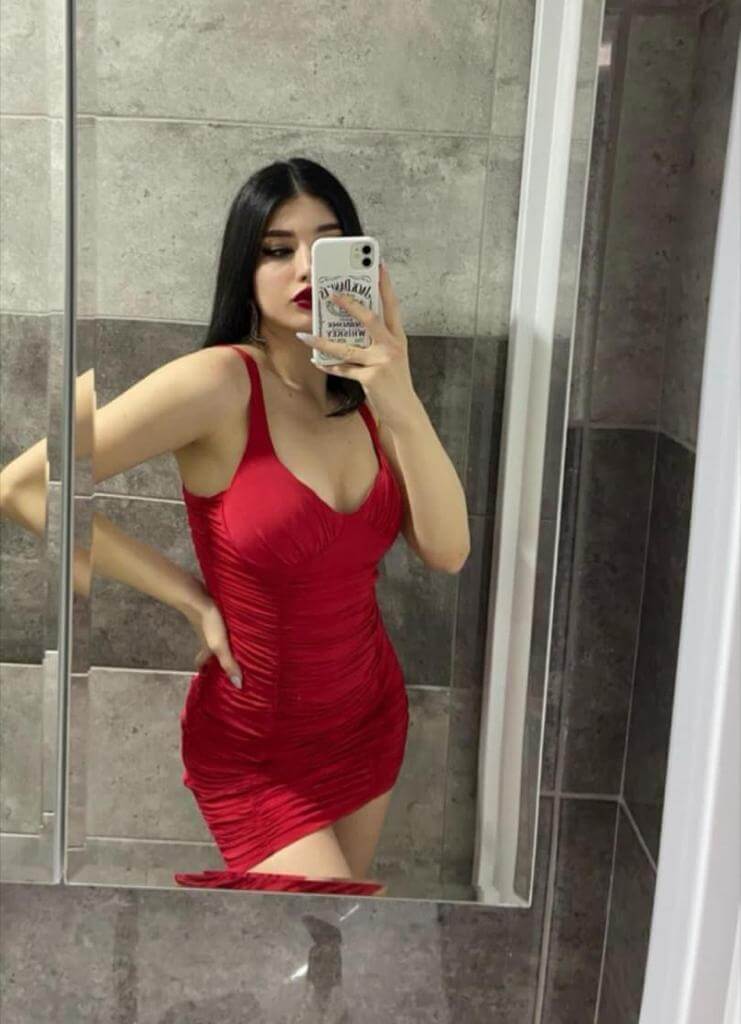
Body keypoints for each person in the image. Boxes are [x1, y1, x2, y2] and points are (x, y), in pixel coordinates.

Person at [0, 156, 471, 895]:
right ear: (244, 272)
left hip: (367, 716)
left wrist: (400, 390)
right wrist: (190, 598)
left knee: (331, 941)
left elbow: (446, 551)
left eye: (329, 244)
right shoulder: (219, 383)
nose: (306, 267)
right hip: (256, 744)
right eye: (277, 249)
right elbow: (25, 488)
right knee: (311, 920)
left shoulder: (372, 398)